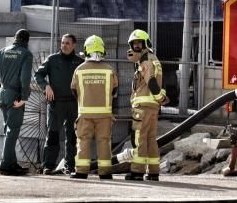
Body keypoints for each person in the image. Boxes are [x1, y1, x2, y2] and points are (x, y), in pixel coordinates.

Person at [0, 28, 33, 176]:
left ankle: (11, 163)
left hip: (2, 94)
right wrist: (24, 98)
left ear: (15, 38)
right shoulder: (26, 54)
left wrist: (5, 63)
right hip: (15, 96)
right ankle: (6, 165)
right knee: (13, 130)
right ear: (27, 41)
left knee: (8, 130)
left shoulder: (4, 50)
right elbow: (25, 79)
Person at [70, 35, 118, 180]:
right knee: (104, 141)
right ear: (102, 50)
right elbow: (115, 91)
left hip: (85, 113)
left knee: (83, 141)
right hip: (104, 114)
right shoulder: (109, 70)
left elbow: (73, 90)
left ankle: (81, 172)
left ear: (86, 50)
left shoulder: (79, 70)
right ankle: (105, 172)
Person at [35, 33, 83, 175]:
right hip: (56, 104)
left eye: (67, 43)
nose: (64, 45)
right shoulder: (52, 60)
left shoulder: (79, 62)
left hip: (74, 104)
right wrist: (46, 86)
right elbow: (38, 75)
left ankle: (70, 165)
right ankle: (48, 166)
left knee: (72, 137)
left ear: (74, 45)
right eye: (62, 43)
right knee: (53, 135)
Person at [125, 29, 166, 182]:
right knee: (150, 139)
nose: (136, 46)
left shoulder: (145, 60)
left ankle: (137, 171)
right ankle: (154, 171)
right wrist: (159, 99)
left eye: (138, 43)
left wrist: (159, 96)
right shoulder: (154, 59)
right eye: (133, 43)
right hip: (153, 107)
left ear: (146, 43)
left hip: (143, 106)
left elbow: (151, 81)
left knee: (138, 139)